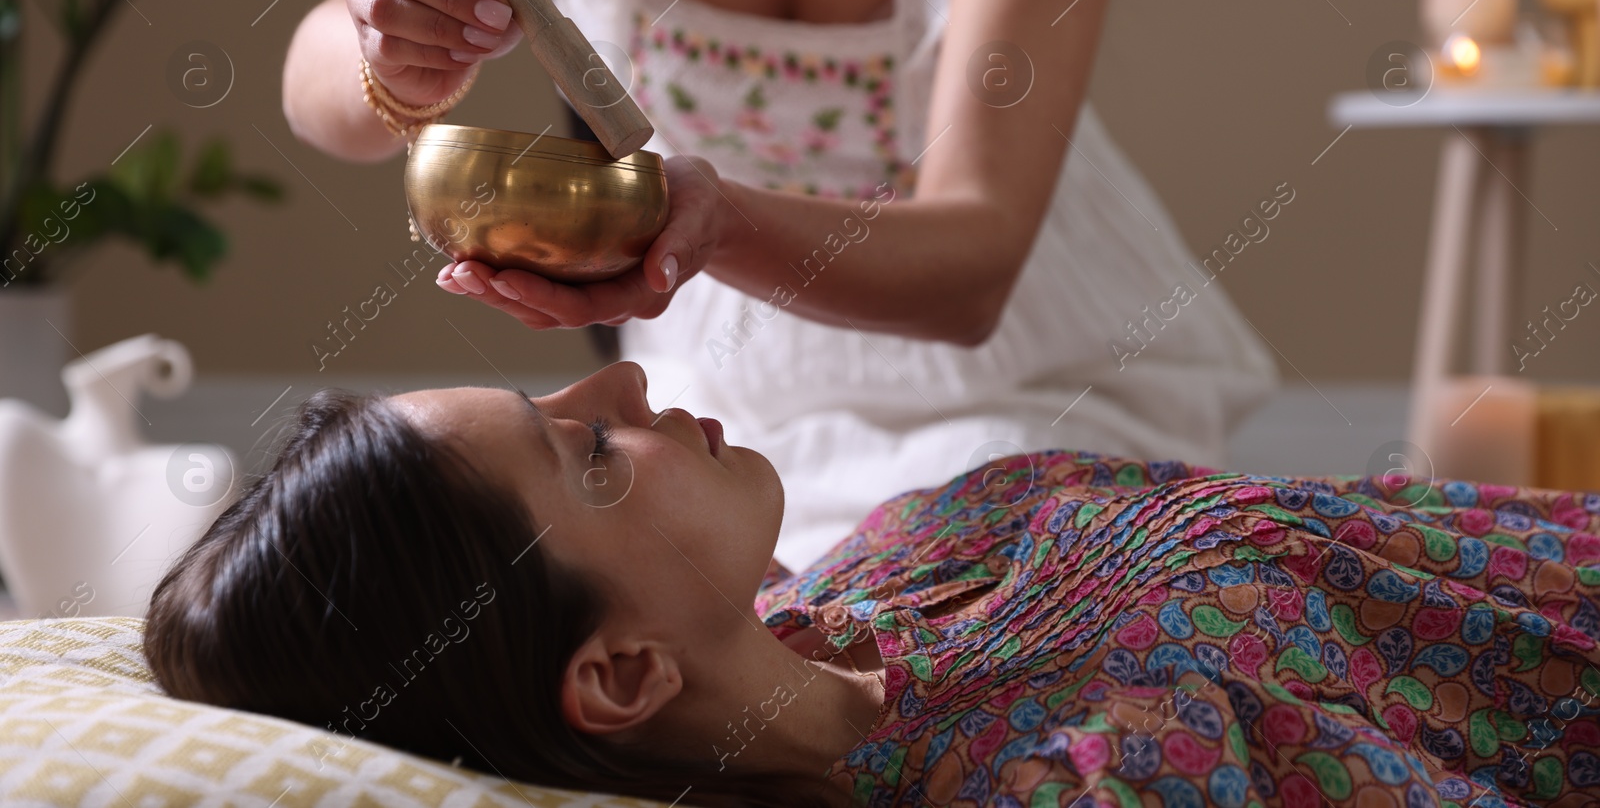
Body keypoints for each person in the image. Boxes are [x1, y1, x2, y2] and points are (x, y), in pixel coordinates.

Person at [281, 0, 1278, 570]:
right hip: (714, 394)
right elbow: (324, 91)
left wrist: (713, 223)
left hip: (1017, 379)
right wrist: (394, 52)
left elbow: (973, 270)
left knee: (928, 636)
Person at [147, 362, 1600, 807]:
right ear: (622, 671)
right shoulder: (1082, 776)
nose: (635, 373)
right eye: (588, 447)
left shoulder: (857, 589)